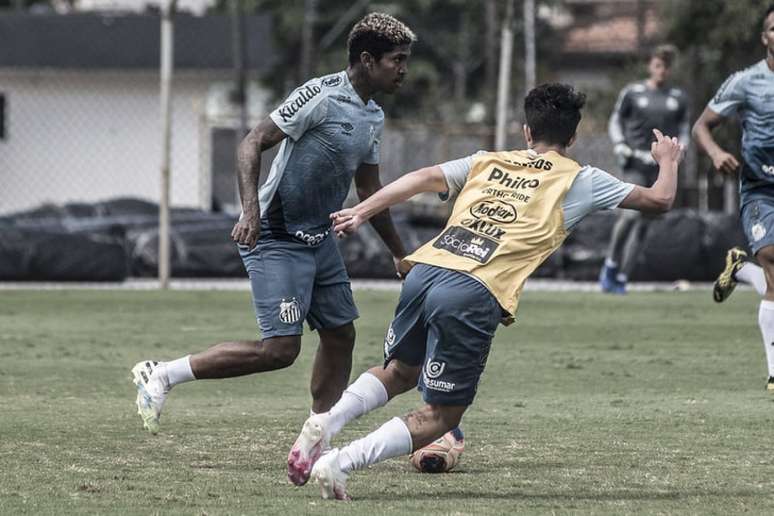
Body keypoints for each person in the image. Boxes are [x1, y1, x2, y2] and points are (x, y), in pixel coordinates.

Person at [286, 83, 685, 500]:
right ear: (572, 138)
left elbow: (421, 178)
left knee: (398, 372)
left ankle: (326, 422)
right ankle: (340, 462)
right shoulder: (581, 179)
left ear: (526, 132)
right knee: (442, 416)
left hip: (427, 269)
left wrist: (361, 210)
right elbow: (660, 199)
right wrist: (667, 160)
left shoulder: (488, 161)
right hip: (472, 290)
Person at [130, 13, 416, 435]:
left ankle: (318, 433)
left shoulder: (373, 116)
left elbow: (371, 189)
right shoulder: (319, 95)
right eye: (397, 59)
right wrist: (250, 210)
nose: (404, 69)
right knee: (281, 350)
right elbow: (252, 143)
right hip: (275, 235)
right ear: (368, 60)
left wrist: (397, 251)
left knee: (340, 336)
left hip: (320, 240)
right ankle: (163, 375)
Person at [693, 4, 774, 390]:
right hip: (760, 188)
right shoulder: (745, 81)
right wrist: (715, 153)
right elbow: (702, 126)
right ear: (764, 38)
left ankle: (741, 269)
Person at [599, 45, 690, 294]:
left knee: (643, 225)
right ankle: (610, 265)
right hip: (635, 163)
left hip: (661, 168)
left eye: (667, 66)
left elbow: (684, 130)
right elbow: (615, 120)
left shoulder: (678, 98)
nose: (662, 71)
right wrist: (619, 144)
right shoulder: (633, 92)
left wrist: (681, 150)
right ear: (650, 65)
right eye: (658, 65)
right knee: (629, 216)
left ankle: (621, 278)